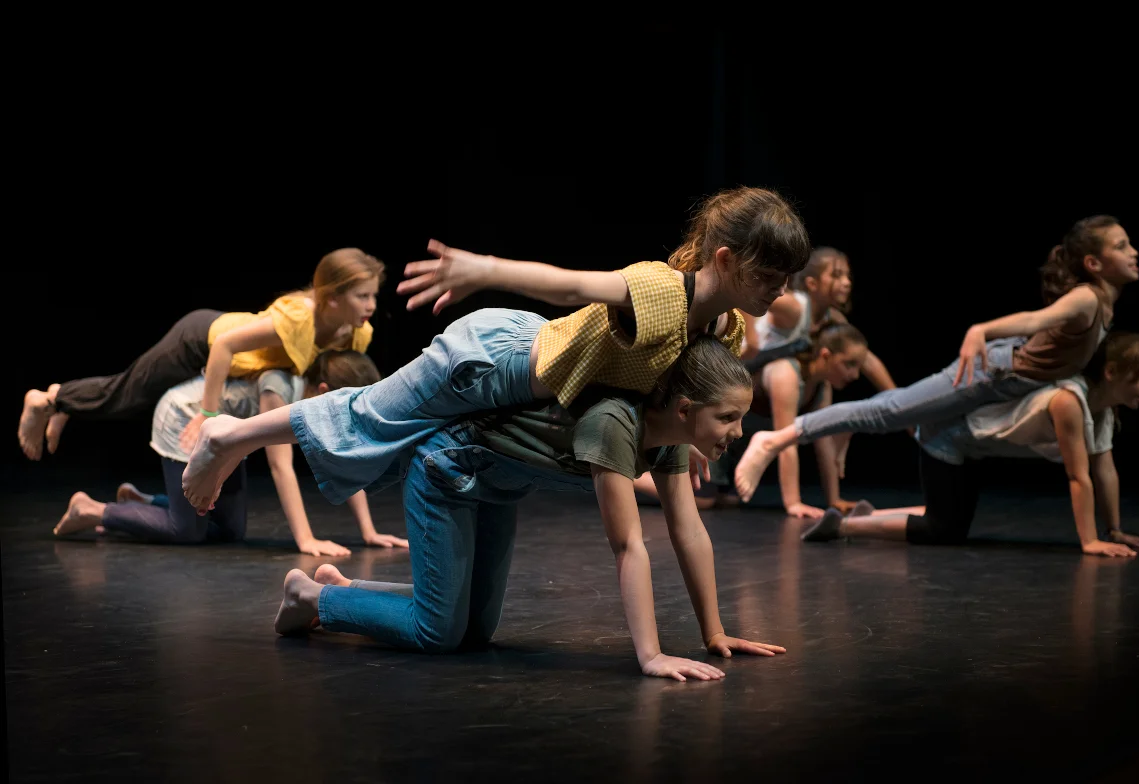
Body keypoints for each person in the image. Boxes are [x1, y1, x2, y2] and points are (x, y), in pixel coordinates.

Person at [187, 332, 786, 680]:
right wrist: (651, 656)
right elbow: (629, 544)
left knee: (475, 629)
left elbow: (689, 531)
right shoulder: (617, 424)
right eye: (727, 417)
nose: (735, 431)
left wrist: (715, 632)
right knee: (439, 632)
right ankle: (314, 598)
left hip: (499, 487)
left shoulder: (671, 443)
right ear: (683, 408)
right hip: (448, 470)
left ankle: (338, 591)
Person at [182, 187, 812, 510]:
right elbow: (569, 285)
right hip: (490, 361)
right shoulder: (657, 289)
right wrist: (481, 267)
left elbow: (663, 390)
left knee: (387, 432)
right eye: (770, 277)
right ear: (726, 260)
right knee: (369, 414)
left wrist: (686, 440)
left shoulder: (724, 330)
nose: (781, 293)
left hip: (520, 380)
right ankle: (226, 438)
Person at [734, 215, 1139, 502]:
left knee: (893, 409)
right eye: (1121, 245)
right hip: (990, 374)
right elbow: (1036, 319)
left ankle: (840, 431)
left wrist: (899, 399)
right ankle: (774, 439)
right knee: (888, 413)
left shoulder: (1102, 303)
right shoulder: (1088, 297)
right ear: (1093, 263)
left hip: (1003, 378)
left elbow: (872, 363)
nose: (1134, 252)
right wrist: (980, 330)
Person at [800, 332, 1139, 558]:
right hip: (948, 438)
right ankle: (844, 527)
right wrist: (1089, 543)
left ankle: (862, 515)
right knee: (943, 530)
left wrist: (1114, 531)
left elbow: (1104, 468)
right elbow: (1078, 477)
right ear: (1113, 372)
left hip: (971, 447)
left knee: (950, 526)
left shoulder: (1102, 411)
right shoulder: (1069, 401)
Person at [18, 248, 382, 461]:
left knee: (120, 389)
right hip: (198, 340)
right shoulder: (299, 318)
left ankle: (63, 400)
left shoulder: (355, 332)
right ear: (332, 297)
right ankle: (47, 399)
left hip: (223, 358)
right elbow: (224, 346)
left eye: (373, 296)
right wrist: (207, 413)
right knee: (125, 397)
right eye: (362, 296)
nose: (371, 305)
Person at [52, 351, 406, 555]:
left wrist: (368, 531)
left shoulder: (311, 397)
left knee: (228, 529)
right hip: (186, 420)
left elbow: (347, 453)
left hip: (224, 438)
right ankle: (94, 510)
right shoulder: (280, 389)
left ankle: (143, 502)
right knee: (187, 531)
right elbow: (280, 467)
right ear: (326, 390)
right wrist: (306, 539)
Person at [634, 322, 876, 517]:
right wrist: (793, 504)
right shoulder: (787, 374)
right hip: (716, 431)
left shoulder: (823, 387)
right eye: (849, 365)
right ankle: (630, 474)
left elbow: (823, 442)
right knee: (703, 499)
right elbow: (785, 442)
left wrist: (833, 500)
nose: (854, 375)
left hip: (735, 441)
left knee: (724, 499)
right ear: (825, 355)